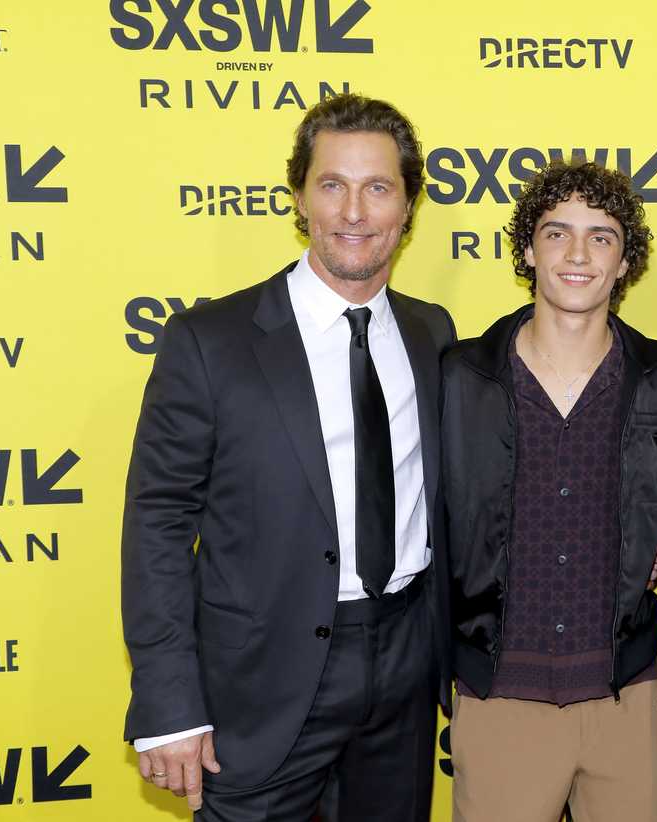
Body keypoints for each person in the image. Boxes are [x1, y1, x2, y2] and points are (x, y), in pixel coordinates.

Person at [120, 93, 455, 821]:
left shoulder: (432, 333)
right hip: (260, 681)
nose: (354, 212)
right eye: (332, 185)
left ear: (409, 206)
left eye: (378, 187)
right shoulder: (210, 341)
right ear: (299, 198)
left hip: (405, 664)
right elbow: (159, 523)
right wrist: (169, 703)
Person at [440, 161, 657, 822]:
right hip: (499, 695)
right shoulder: (460, 378)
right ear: (527, 250)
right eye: (557, 233)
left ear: (625, 262)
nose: (578, 254)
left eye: (601, 237)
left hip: (627, 696)